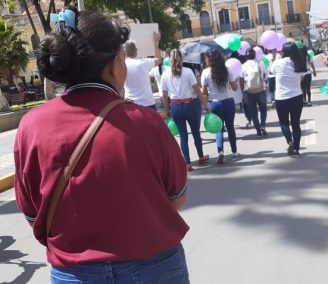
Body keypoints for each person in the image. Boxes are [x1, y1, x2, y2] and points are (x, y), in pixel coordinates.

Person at [14, 8, 190, 283]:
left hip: (74, 272)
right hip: (154, 266)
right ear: (113, 65)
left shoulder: (31, 126)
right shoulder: (146, 121)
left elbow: (32, 213)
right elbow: (177, 196)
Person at [161, 49, 210, 172]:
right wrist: (205, 104)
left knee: (183, 136)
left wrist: (167, 110)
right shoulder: (188, 72)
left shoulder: (165, 74)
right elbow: (197, 90)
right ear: (181, 59)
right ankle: (200, 156)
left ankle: (187, 162)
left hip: (175, 106)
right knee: (196, 132)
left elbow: (164, 95)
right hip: (191, 105)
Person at [201, 49, 239, 164]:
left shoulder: (205, 73)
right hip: (228, 102)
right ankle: (234, 151)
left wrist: (206, 104)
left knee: (219, 129)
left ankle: (221, 152)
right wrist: (235, 81)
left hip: (215, 104)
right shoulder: (227, 70)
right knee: (230, 127)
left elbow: (204, 92)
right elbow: (235, 88)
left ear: (208, 59)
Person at [270, 42, 306, 156]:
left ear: (284, 52)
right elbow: (301, 77)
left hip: (281, 98)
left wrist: (275, 57)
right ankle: (296, 148)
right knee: (296, 123)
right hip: (297, 96)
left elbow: (271, 71)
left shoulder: (278, 62)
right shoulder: (299, 62)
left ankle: (289, 141)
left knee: (284, 123)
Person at [123, 33, 162, 110]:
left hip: (130, 105)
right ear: (136, 50)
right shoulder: (143, 63)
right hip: (148, 103)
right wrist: (156, 42)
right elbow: (158, 60)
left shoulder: (122, 65)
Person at [241, 48, 268, 137]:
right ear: (255, 55)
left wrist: (242, 92)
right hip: (260, 89)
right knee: (263, 109)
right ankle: (263, 126)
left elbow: (241, 80)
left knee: (253, 112)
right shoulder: (260, 63)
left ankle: (258, 131)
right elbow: (264, 75)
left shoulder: (243, 66)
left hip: (248, 91)